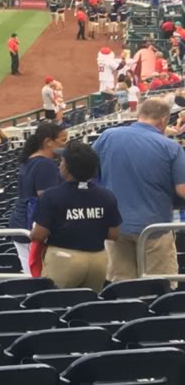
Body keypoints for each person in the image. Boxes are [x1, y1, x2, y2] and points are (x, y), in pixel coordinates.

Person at [95, 96, 185, 281]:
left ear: (139, 115)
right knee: (159, 288)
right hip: (155, 228)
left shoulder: (108, 136)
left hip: (115, 227)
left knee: (122, 289)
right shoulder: (171, 147)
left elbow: (85, 171)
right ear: (163, 120)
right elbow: (182, 189)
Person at [33, 140, 121, 290]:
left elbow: (39, 235)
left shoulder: (51, 196)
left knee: (56, 306)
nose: (60, 164)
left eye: (62, 161)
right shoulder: (107, 195)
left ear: (66, 168)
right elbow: (113, 234)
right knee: (88, 307)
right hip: (98, 259)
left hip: (63, 258)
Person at [12, 122, 68, 270]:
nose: (66, 144)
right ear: (48, 142)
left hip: (22, 222)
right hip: (32, 226)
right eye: (62, 140)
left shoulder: (30, 161)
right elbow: (48, 199)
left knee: (31, 273)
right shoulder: (45, 165)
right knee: (37, 274)